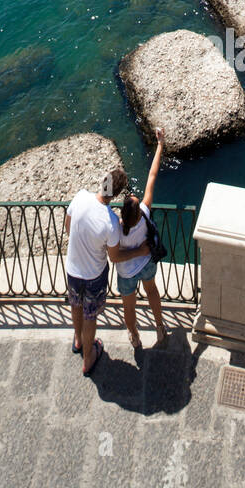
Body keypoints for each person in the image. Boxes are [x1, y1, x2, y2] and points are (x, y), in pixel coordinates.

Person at [63, 166, 143, 376]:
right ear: (116, 194)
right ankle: (89, 357)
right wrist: (138, 251)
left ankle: (78, 340)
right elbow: (115, 257)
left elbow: (68, 226)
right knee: (90, 316)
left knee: (75, 304)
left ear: (103, 181)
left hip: (72, 267)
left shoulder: (80, 197)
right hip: (94, 276)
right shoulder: (112, 223)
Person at [114, 127, 168, 348]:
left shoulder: (115, 227)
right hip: (146, 263)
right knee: (152, 291)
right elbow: (152, 176)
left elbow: (114, 255)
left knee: (129, 306)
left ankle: (134, 335)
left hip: (126, 272)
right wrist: (160, 145)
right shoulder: (144, 212)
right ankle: (159, 327)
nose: (134, 195)